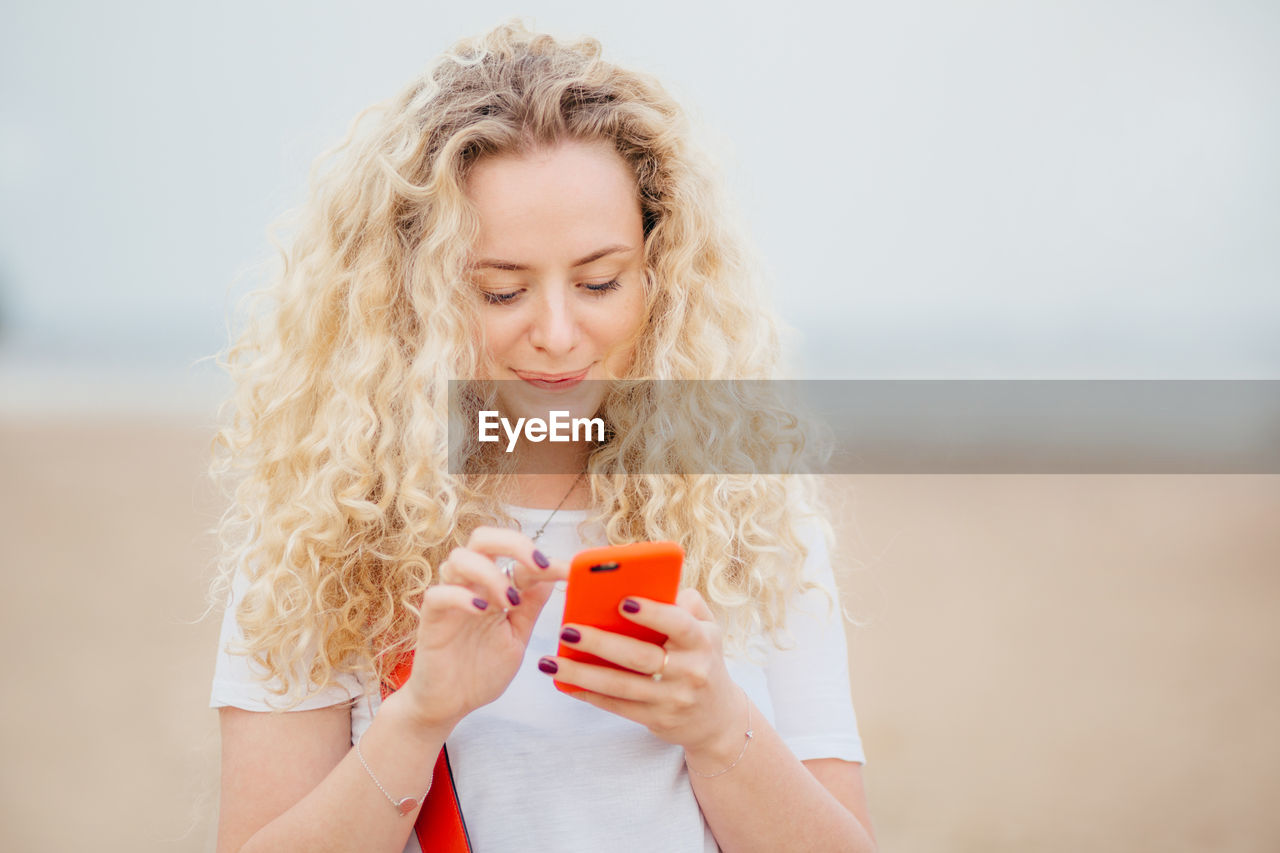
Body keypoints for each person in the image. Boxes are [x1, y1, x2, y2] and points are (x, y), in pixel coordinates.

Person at [209, 20, 877, 853]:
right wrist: (419, 719)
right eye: (499, 291)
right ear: (411, 297)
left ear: (659, 275)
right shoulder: (327, 533)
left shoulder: (752, 514)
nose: (557, 334)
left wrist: (719, 728)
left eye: (600, 281)